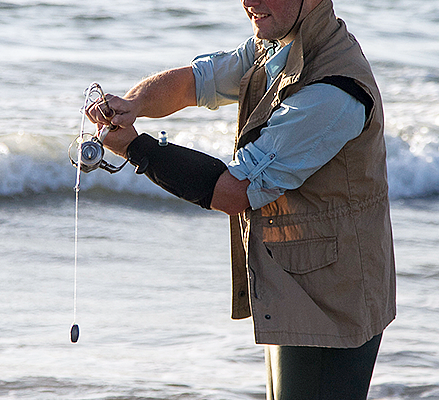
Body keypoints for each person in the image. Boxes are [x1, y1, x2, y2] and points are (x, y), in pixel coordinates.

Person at [87, 0, 396, 398]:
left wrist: (137, 150)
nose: (251, 2)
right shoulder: (282, 41)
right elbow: (195, 83)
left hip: (333, 300)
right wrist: (134, 105)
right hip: (295, 279)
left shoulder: (332, 93)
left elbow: (233, 192)